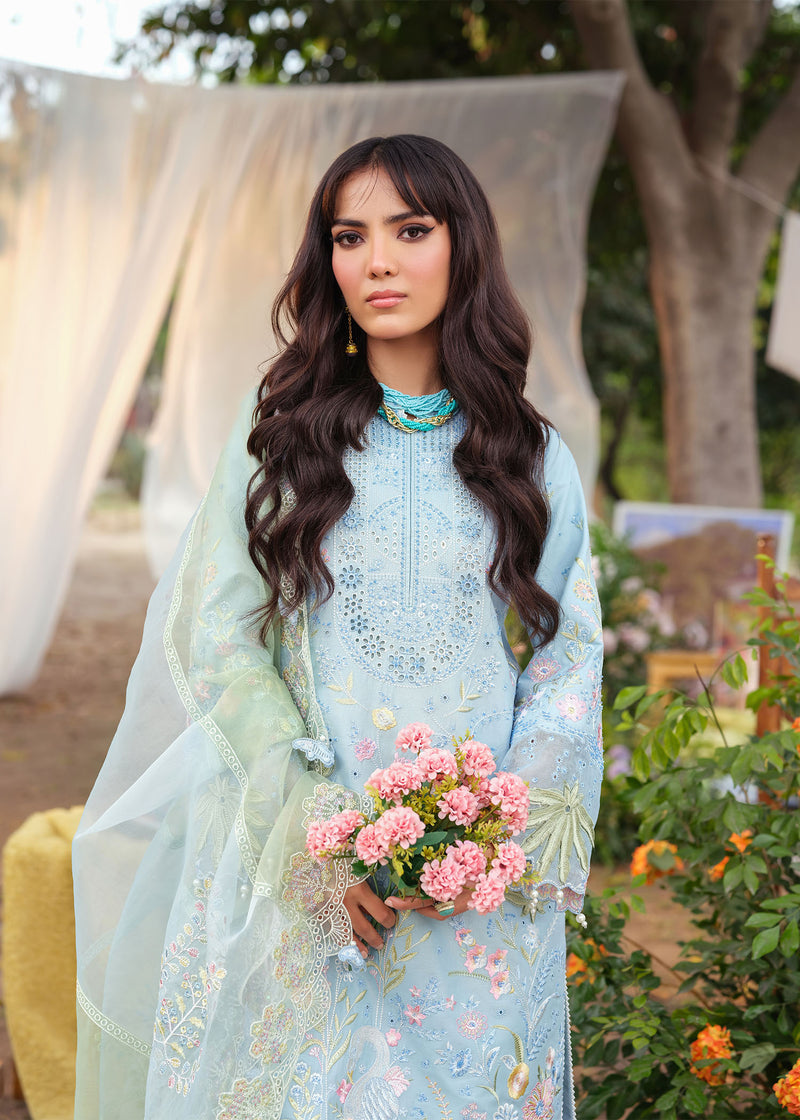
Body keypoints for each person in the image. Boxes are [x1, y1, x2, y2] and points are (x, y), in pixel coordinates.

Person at [73, 134, 603, 1120]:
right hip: (314, 886)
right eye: (348, 236)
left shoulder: (530, 460)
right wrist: (316, 836)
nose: (377, 262)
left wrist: (488, 841)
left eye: (410, 229)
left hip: (475, 902)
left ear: (462, 247)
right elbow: (217, 634)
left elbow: (566, 659)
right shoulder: (279, 439)